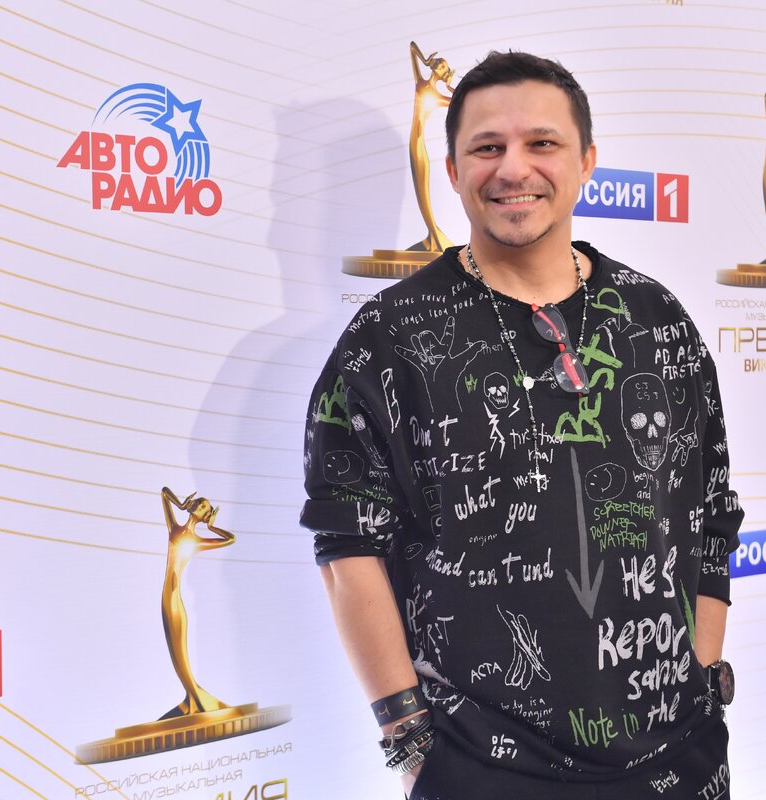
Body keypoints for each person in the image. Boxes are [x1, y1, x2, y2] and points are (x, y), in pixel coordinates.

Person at [301, 50, 743, 799]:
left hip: (680, 761)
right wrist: (411, 743)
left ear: (586, 161)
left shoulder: (656, 317)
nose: (513, 168)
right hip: (485, 772)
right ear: (452, 170)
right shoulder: (389, 338)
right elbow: (348, 545)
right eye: (487, 147)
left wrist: (699, 679)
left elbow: (711, 514)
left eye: (542, 143)